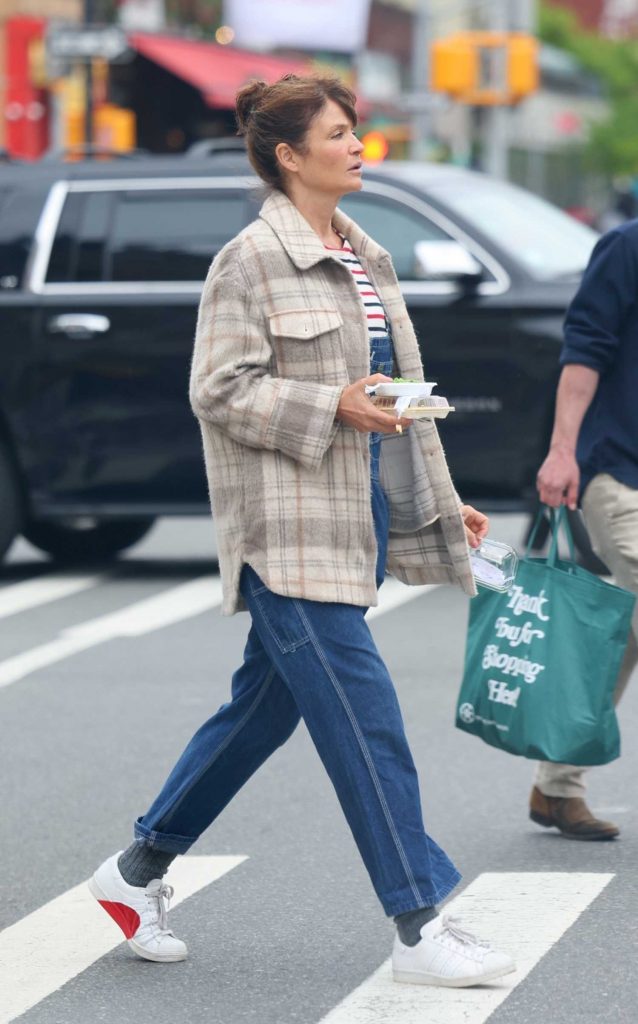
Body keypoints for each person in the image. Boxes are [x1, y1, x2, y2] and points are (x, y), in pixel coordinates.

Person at [89, 74, 515, 987]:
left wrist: (443, 499)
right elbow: (220, 389)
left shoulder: (364, 255)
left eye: (355, 129)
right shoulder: (249, 260)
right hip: (283, 530)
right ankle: (419, 922)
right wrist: (333, 403)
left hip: (349, 514)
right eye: (338, 131)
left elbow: (389, 400)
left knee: (261, 711)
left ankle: (136, 871)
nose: (358, 143)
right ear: (289, 156)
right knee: (369, 723)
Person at [533, 217, 638, 841]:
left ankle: (555, 786)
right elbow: (585, 349)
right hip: (619, 474)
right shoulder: (627, 248)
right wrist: (561, 451)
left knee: (620, 638)